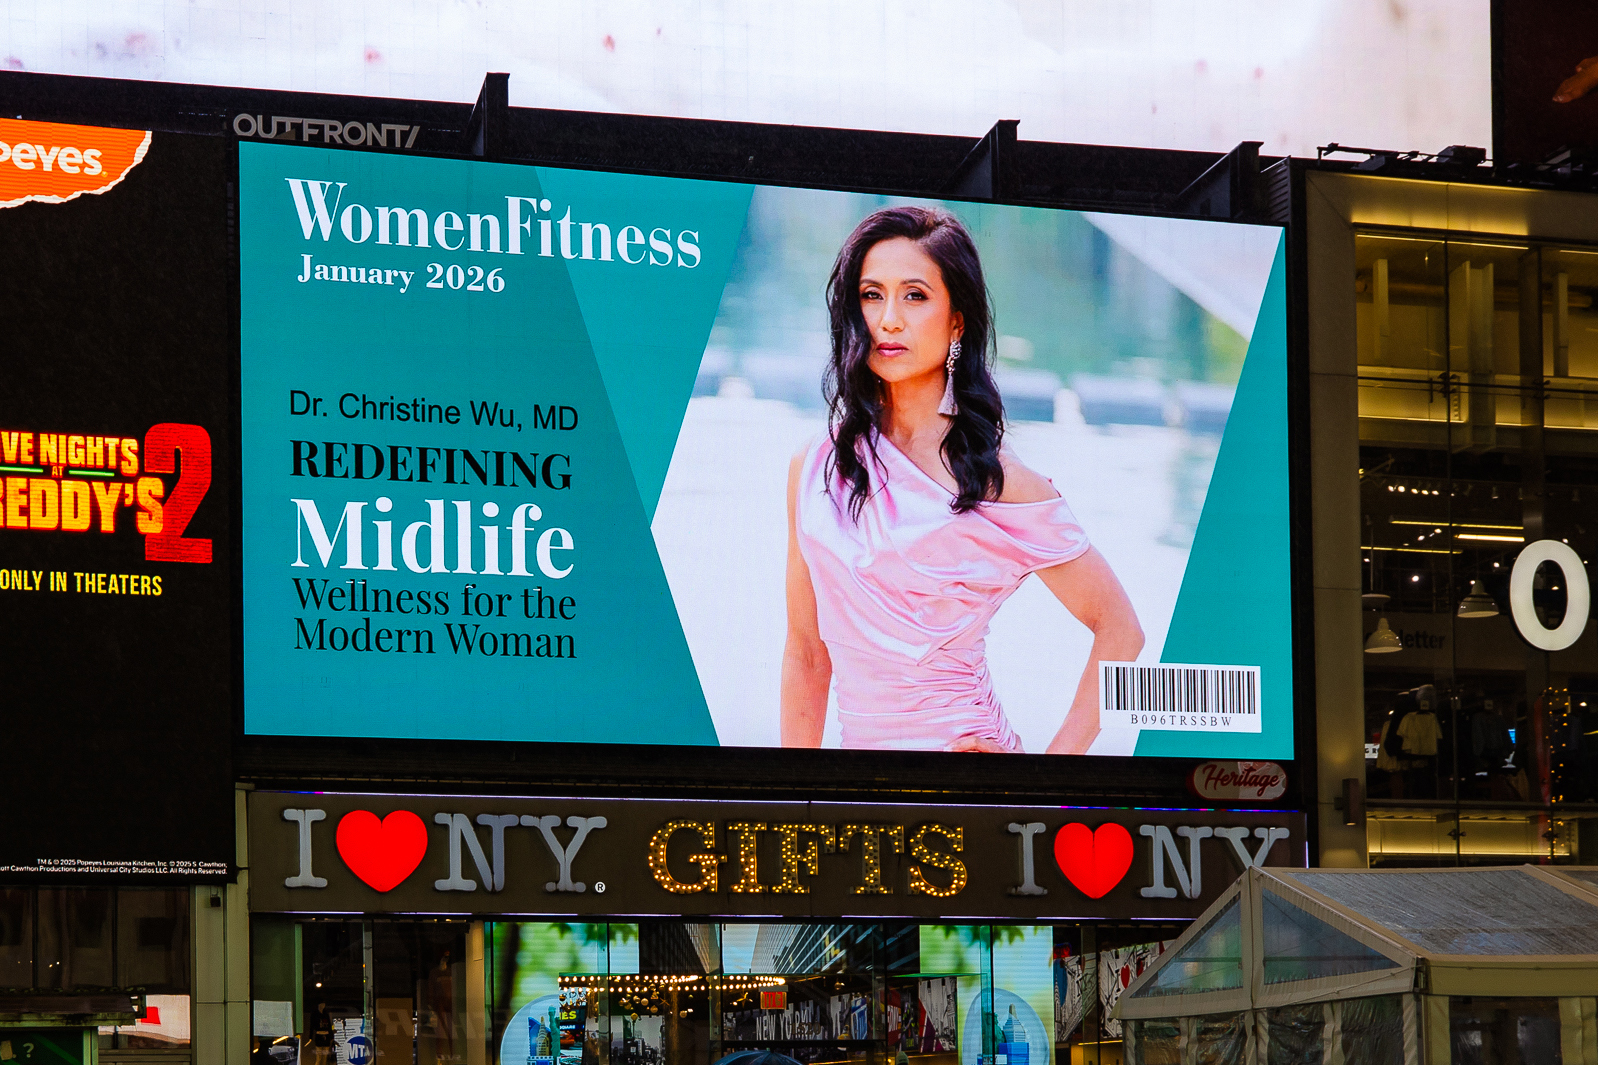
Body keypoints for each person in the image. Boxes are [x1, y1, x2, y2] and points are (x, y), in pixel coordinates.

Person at [781, 205, 1143, 754]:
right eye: (872, 295)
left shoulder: (998, 481)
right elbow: (807, 653)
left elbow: (1121, 630)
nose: (889, 320)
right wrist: (795, 792)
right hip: (858, 782)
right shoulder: (815, 465)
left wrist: (1045, 779)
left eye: (915, 296)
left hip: (968, 775)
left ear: (957, 321)